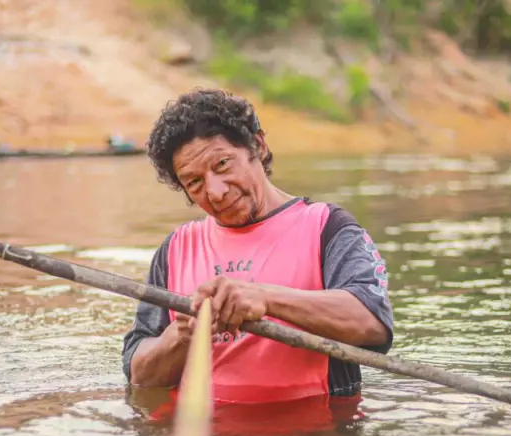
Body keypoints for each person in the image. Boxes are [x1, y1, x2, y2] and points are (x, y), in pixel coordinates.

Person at [121, 88, 394, 403]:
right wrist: (180, 338)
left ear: (258, 146)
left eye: (223, 164)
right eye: (194, 182)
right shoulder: (176, 248)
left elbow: (373, 324)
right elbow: (139, 377)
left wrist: (265, 297)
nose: (215, 191)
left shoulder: (327, 227)